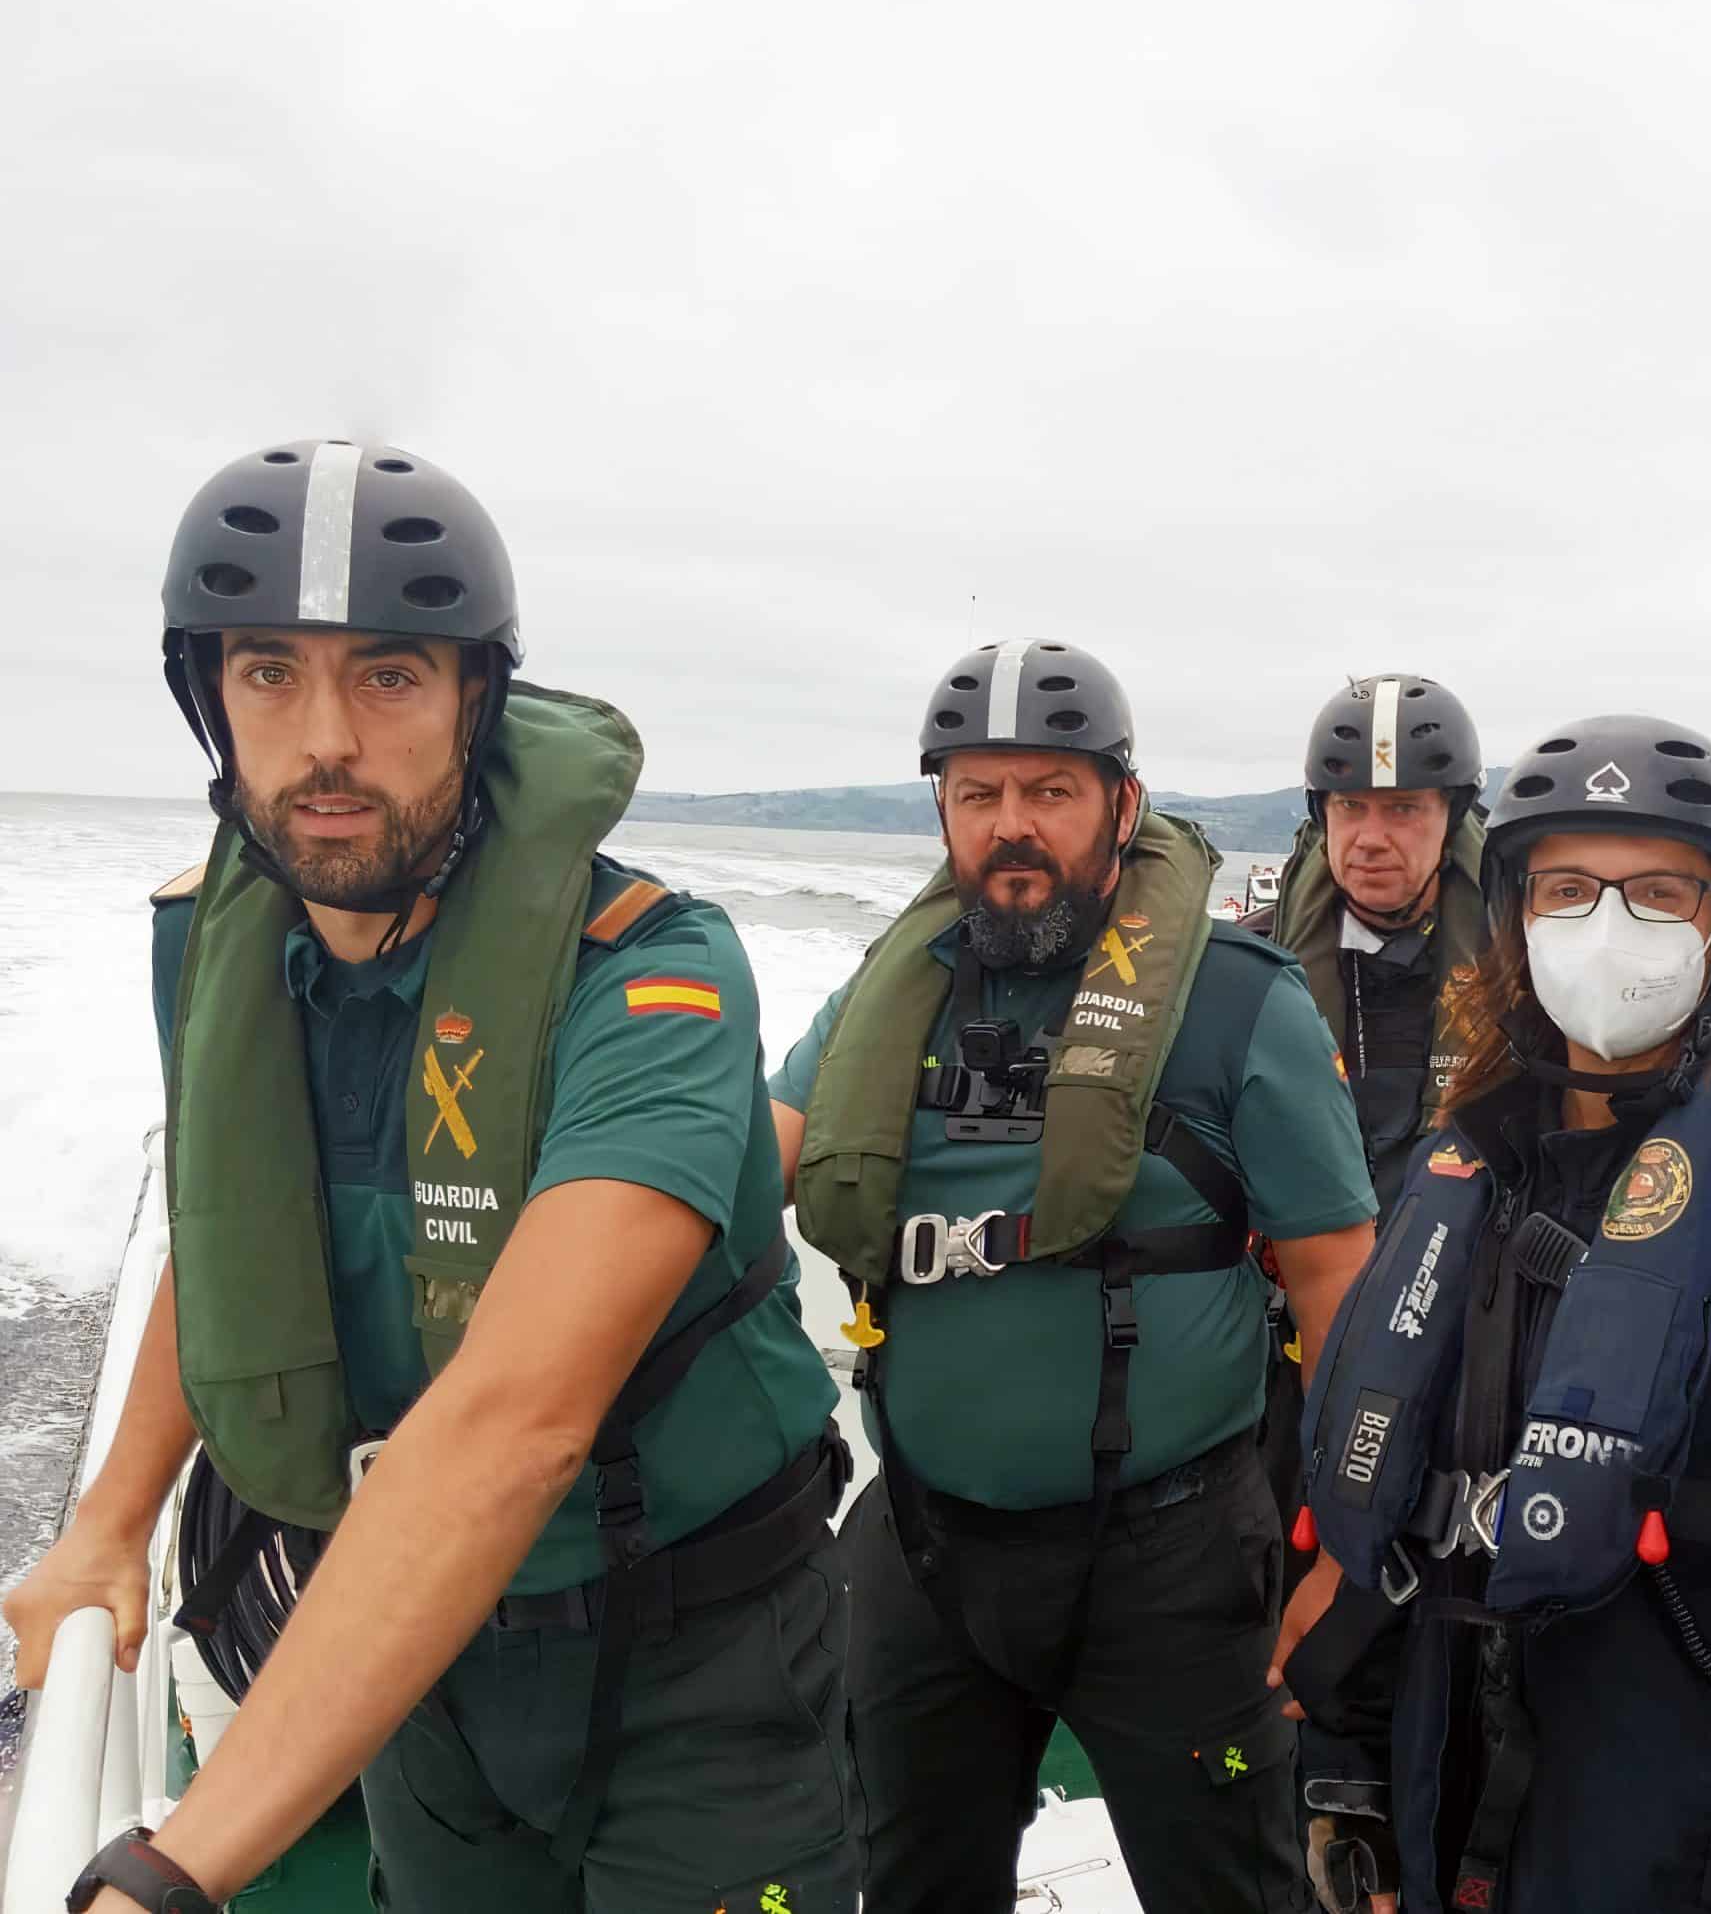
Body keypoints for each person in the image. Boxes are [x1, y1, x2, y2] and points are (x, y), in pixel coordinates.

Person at [2, 441, 852, 1912]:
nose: (324, 737)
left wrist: (178, 1861)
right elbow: (231, 1237)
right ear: (207, 695)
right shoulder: (215, 956)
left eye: (388, 675)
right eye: (269, 672)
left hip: (699, 1652)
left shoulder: (652, 974)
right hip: (420, 1653)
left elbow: (518, 1420)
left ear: (475, 697)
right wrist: (109, 1522)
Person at [1273, 715, 1711, 1914]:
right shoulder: (1468, 1175)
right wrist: (1355, 1798)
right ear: (1513, 918)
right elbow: (1384, 1519)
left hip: (1670, 1849)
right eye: (1567, 889)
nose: (1607, 930)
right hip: (1441, 1825)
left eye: (1659, 893)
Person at [767, 639, 1379, 1914]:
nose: (1012, 828)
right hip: (926, 1546)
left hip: (1173, 1561)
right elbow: (735, 1174)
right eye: (978, 795)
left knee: (1228, 1891)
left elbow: (1339, 1289)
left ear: (1122, 806)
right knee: (910, 1881)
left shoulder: (1238, 1006)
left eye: (1049, 790)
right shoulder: (887, 1004)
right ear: (941, 810)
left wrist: (1344, 1546)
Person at [1242, 674, 1490, 1214]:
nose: (1371, 839)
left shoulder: (1522, 972)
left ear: (1451, 820)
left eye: (1403, 809)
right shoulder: (1251, 965)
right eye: (1350, 807)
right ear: (1322, 814)